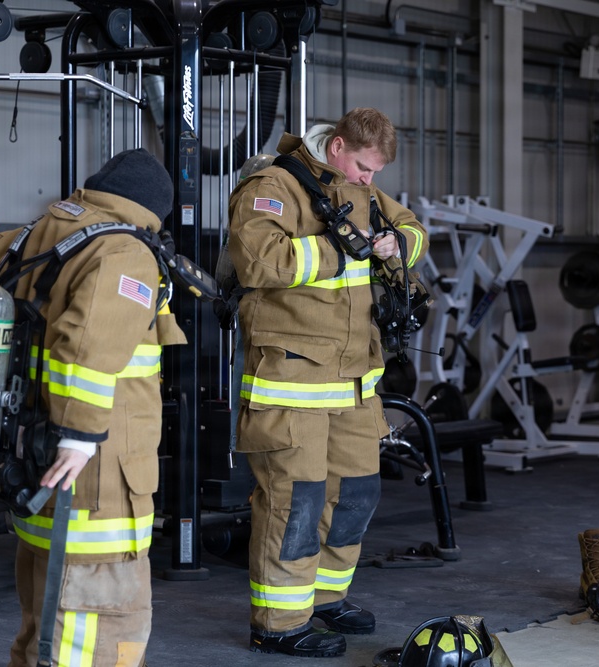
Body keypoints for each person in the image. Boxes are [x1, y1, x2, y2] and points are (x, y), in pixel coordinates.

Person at [0, 148, 186, 667]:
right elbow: (87, 346)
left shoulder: (23, 238)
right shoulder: (124, 252)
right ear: (151, 213)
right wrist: (79, 437)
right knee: (102, 625)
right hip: (94, 476)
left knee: (44, 622)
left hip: (30, 461)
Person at [227, 107, 429, 658]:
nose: (370, 179)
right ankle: (278, 623)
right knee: (295, 502)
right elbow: (259, 261)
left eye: (376, 172)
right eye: (364, 167)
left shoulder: (361, 189)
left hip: (355, 380)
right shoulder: (274, 185)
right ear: (337, 146)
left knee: (355, 494)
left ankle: (325, 599)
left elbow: (414, 230)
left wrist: (395, 244)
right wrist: (339, 249)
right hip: (291, 380)